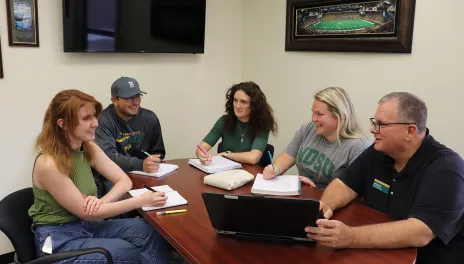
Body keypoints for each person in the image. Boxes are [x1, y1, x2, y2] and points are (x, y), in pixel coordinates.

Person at [305, 92, 464, 263]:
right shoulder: (379, 150)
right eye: (374, 123)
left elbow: (420, 232)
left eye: (381, 124)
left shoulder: (447, 168)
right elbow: (344, 185)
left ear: (410, 131)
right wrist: (326, 206)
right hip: (377, 251)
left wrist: (350, 237)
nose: (373, 130)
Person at [28, 90, 172, 263]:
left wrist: (101, 202)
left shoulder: (88, 147)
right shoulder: (49, 164)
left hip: (86, 225)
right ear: (63, 124)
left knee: (150, 231)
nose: (95, 123)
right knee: (127, 252)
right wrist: (141, 201)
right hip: (59, 239)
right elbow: (88, 213)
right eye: (86, 118)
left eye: (94, 116)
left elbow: (124, 181)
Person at [262, 87, 370, 189]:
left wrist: (317, 191)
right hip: (304, 195)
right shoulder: (308, 129)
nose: (313, 119)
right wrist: (275, 168)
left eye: (319, 114)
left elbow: (355, 191)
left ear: (339, 116)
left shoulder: (358, 146)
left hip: (331, 204)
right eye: (313, 112)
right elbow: (288, 156)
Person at [94, 77, 165, 196]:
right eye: (129, 98)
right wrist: (141, 164)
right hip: (114, 175)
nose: (135, 102)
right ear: (114, 100)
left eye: (137, 96)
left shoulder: (150, 118)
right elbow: (108, 157)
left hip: (145, 173)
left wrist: (155, 159)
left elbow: (158, 151)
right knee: (122, 200)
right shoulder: (103, 121)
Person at [195, 81, 278, 165]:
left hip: (251, 174)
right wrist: (202, 155)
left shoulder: (262, 124)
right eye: (235, 100)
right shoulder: (224, 121)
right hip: (225, 172)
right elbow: (200, 149)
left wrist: (225, 154)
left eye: (243, 102)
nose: (237, 106)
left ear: (254, 105)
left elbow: (253, 158)